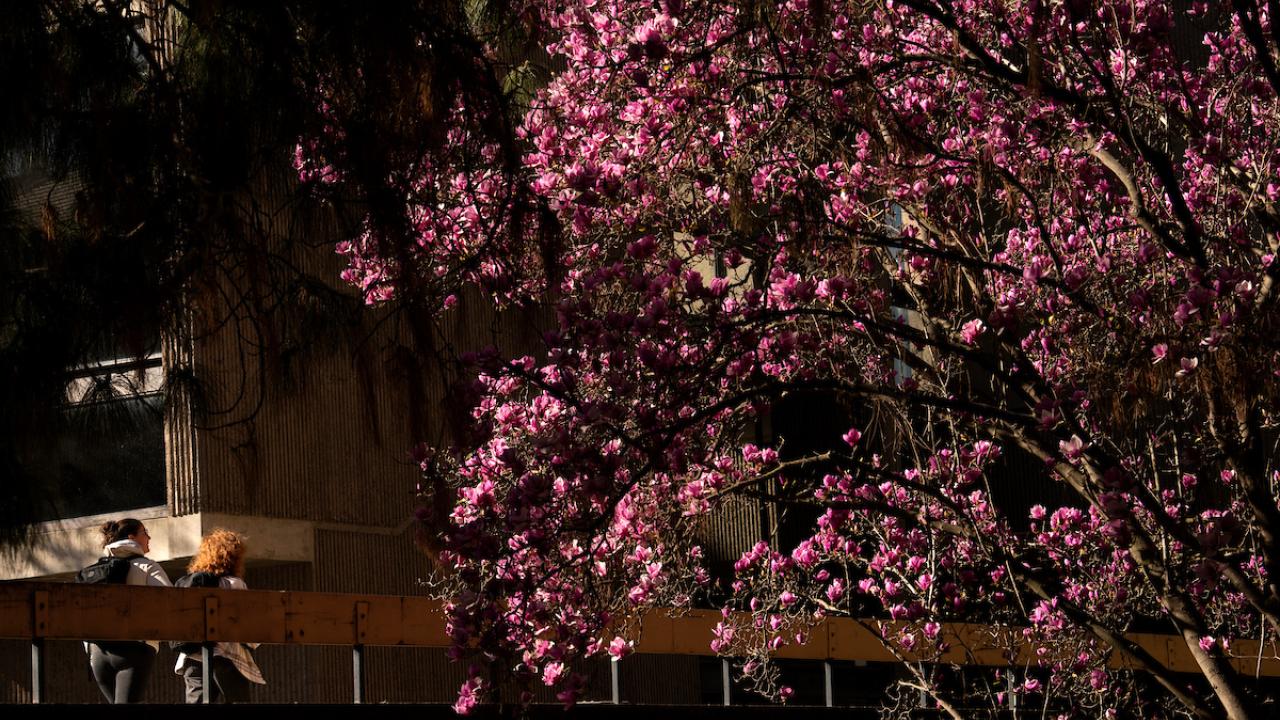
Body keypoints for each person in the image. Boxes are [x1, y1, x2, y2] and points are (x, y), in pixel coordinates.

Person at [85, 518, 172, 703]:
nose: (149, 537)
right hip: (135, 648)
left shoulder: (97, 569)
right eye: (145, 532)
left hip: (98, 652)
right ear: (132, 538)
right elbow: (172, 600)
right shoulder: (147, 566)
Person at [174, 529, 265, 703]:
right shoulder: (234, 584)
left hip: (192, 658)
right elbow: (246, 625)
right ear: (234, 557)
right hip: (227, 656)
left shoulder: (192, 584)